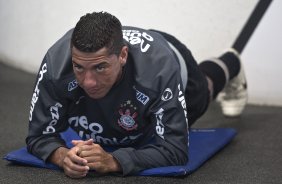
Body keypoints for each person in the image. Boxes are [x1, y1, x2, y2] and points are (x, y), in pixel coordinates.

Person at [26, 11, 247, 178]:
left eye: (100, 67)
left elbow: (174, 150)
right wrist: (62, 156)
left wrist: (114, 161)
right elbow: (38, 136)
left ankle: (232, 62)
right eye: (79, 68)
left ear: (123, 56)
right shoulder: (56, 65)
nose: (88, 82)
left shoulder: (159, 72)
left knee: (207, 87)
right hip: (129, 81)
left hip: (176, 66)